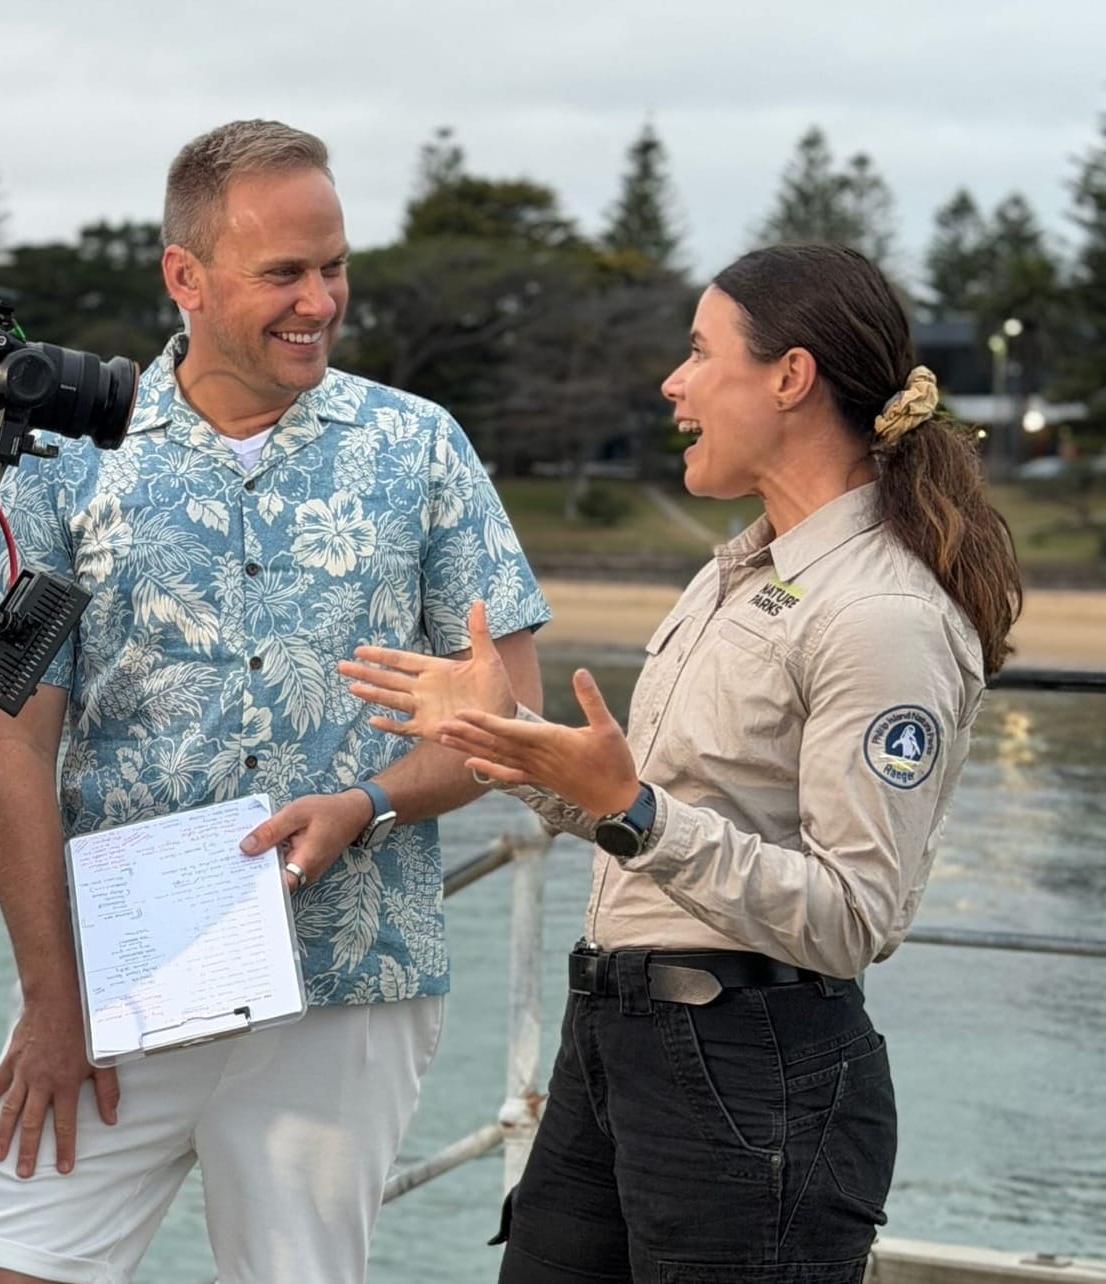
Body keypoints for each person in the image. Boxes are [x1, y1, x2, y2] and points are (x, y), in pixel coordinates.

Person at [0, 119, 551, 1284]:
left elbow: (506, 726)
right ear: (185, 276)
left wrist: (364, 803)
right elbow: (10, 749)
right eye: (282, 273)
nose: (317, 301)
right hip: (116, 979)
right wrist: (49, 1002)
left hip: (345, 978)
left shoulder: (419, 448)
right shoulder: (61, 464)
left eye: (332, 268)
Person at [342, 243, 1023, 1283]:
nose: (671, 381)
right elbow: (636, 810)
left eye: (698, 352)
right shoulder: (734, 574)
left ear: (787, 378)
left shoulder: (880, 614)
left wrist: (634, 811)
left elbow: (852, 918)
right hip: (617, 1043)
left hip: (754, 1079)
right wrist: (503, 744)